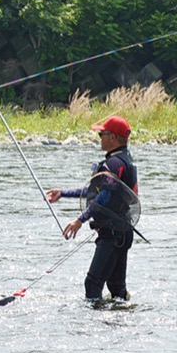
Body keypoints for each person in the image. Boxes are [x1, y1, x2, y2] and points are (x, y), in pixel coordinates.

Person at [46, 115, 139, 301]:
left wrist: (80, 220)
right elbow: (94, 191)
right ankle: (121, 322)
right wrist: (63, 193)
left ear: (112, 138)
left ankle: (95, 326)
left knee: (92, 284)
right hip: (123, 232)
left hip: (112, 235)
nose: (100, 138)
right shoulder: (124, 160)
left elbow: (104, 196)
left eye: (102, 134)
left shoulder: (113, 164)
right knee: (117, 288)